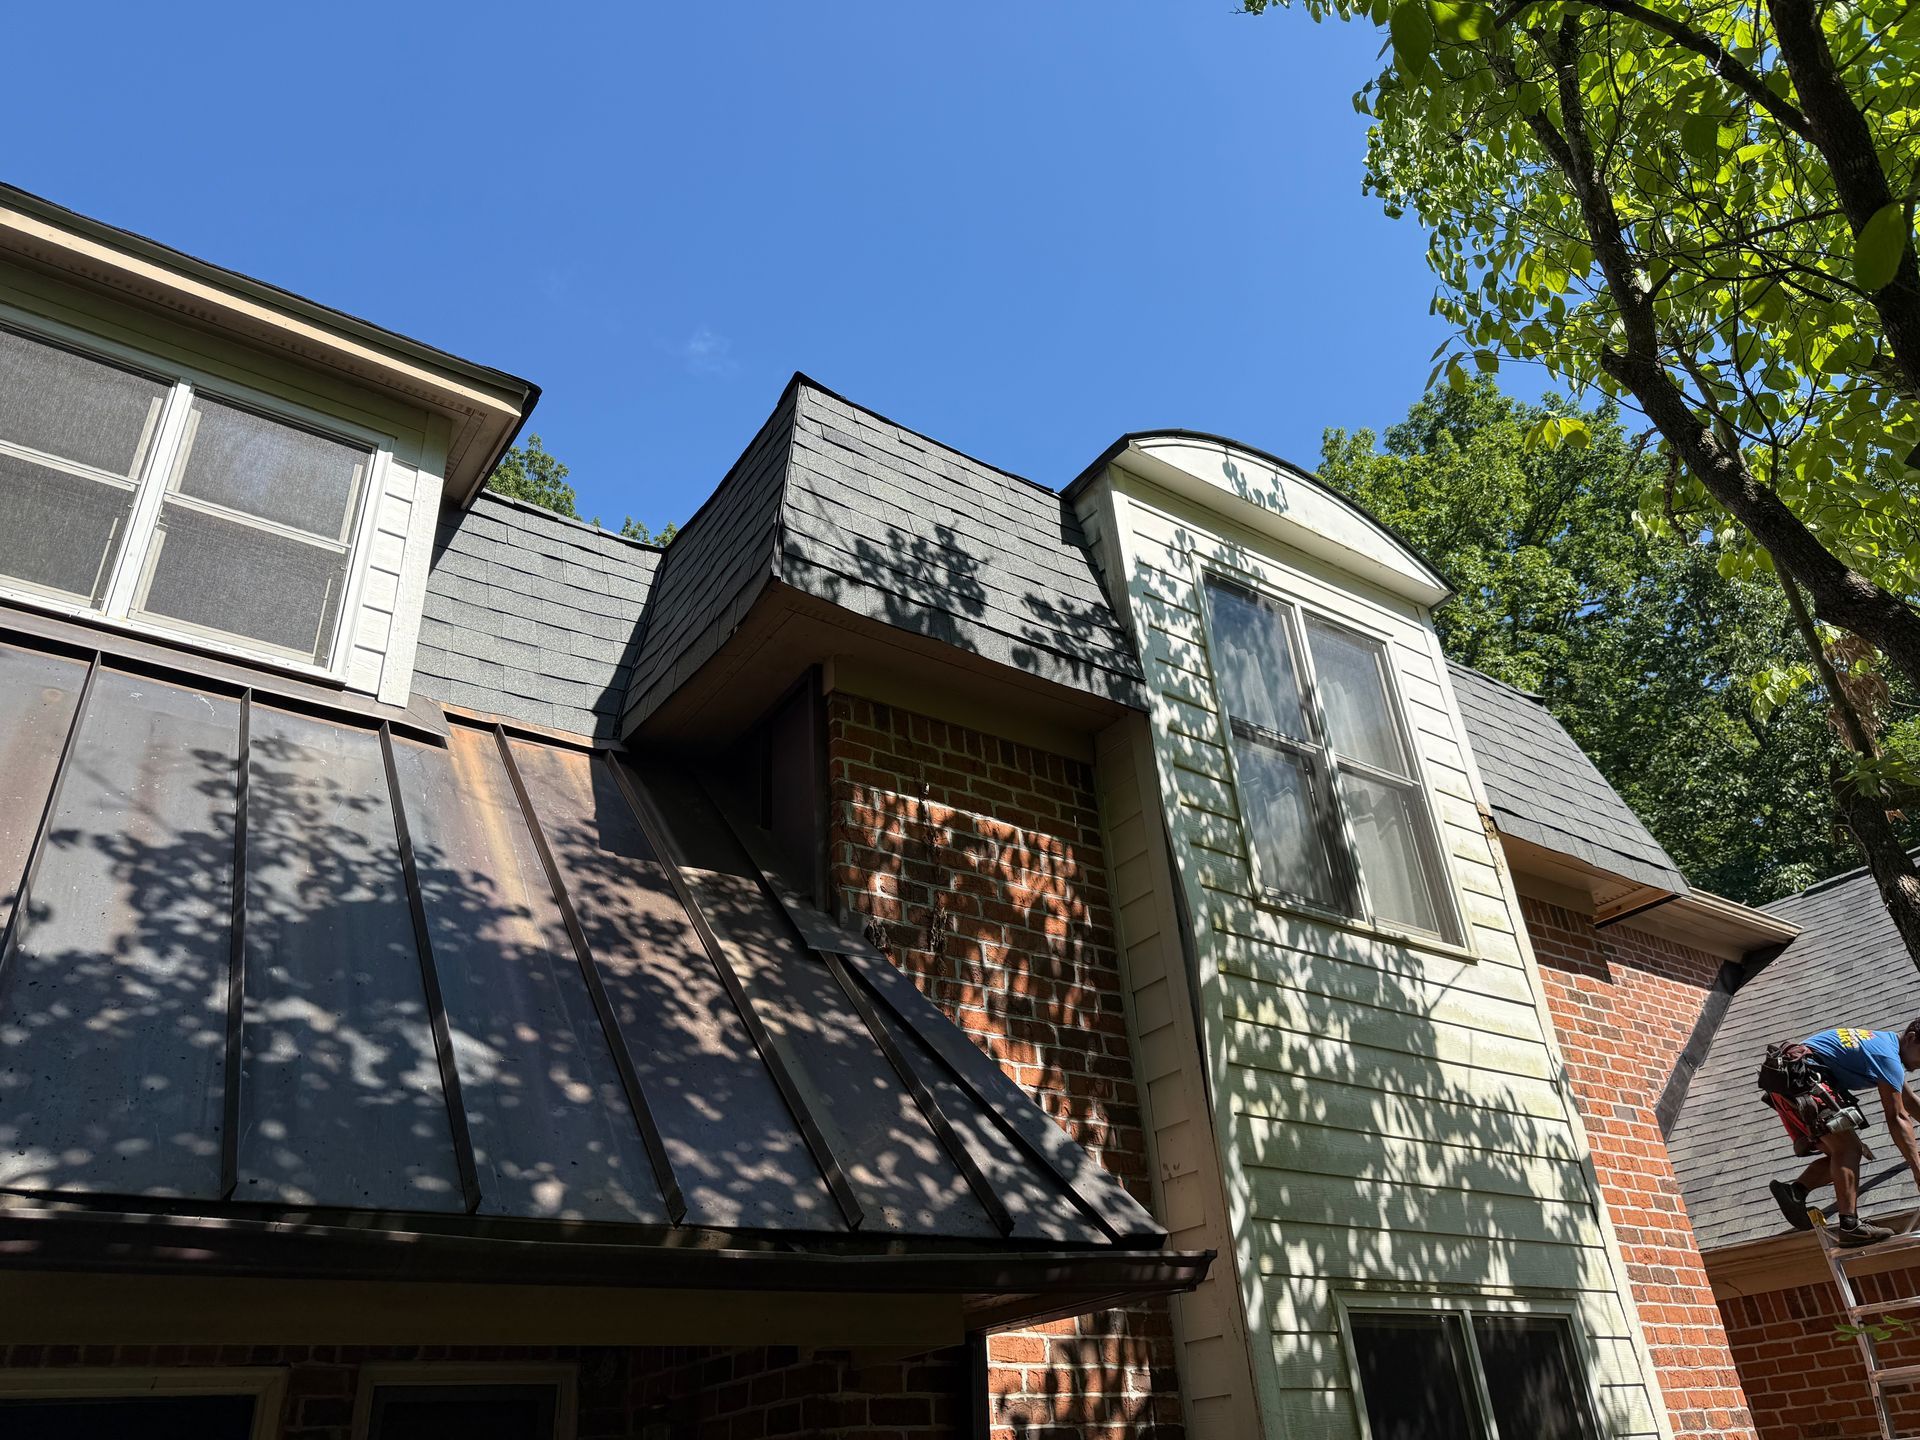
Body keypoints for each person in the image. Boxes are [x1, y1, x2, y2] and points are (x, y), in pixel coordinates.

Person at [1770, 1022, 1920, 1246]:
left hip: (1788, 1083)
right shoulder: (1887, 1056)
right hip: (1804, 1081)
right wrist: (1917, 1169)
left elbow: (1908, 1101)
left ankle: (1795, 1192)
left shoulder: (1883, 1046)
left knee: (1843, 1153)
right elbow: (1897, 1117)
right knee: (1848, 1149)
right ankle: (1850, 1225)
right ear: (1910, 1037)